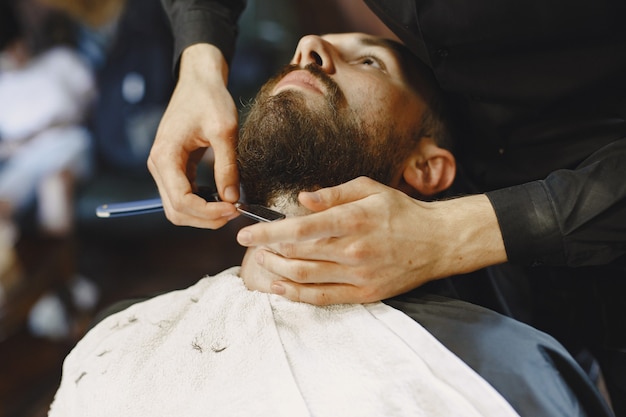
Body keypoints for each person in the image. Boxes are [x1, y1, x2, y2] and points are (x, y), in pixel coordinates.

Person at [51, 33, 611, 417]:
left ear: (427, 167)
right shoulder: (119, 341)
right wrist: (199, 61)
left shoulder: (493, 370)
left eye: (369, 61)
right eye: (306, 49)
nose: (308, 49)